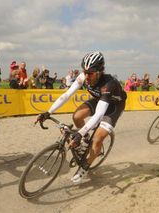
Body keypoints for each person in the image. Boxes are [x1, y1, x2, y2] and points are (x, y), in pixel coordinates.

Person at [37, 51, 127, 183]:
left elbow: (99, 114)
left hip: (114, 106)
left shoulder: (109, 84)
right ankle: (84, 142)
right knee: (77, 116)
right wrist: (48, 112)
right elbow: (66, 95)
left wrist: (79, 133)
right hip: (99, 99)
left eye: (90, 73)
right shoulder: (83, 77)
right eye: (84, 72)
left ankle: (85, 167)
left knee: (98, 138)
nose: (86, 76)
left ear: (100, 71)